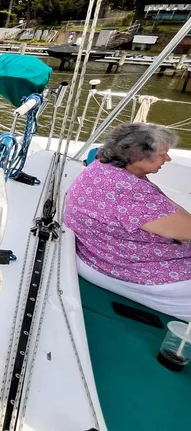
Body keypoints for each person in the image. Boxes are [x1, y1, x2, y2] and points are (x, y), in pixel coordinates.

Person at [64, 123, 191, 321]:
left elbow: (171, 209)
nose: (167, 159)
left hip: (104, 257)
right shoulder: (129, 192)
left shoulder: (104, 167)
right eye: (162, 154)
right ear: (135, 155)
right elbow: (187, 230)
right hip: (143, 272)